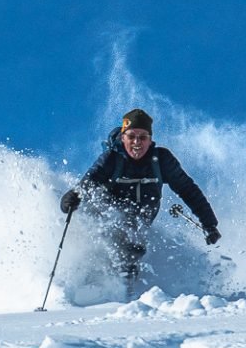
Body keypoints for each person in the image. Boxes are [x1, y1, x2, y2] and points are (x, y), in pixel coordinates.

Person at [60, 108, 220, 293]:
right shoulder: (111, 159)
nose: (137, 142)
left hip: (141, 217)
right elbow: (89, 182)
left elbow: (188, 190)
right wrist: (72, 198)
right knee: (121, 241)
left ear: (150, 139)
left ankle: (129, 294)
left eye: (143, 137)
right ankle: (101, 288)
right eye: (132, 136)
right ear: (123, 138)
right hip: (109, 213)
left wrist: (209, 223)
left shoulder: (161, 160)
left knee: (133, 248)